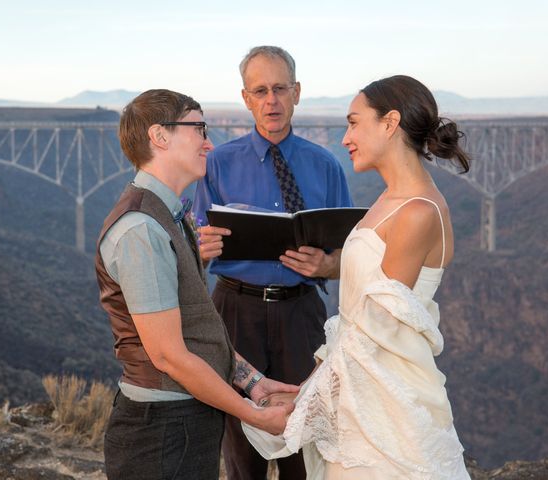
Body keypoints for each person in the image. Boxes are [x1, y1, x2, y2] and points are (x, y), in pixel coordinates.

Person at [243, 75, 472, 479]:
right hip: (358, 394)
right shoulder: (387, 200)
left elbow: (373, 334)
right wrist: (304, 388)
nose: (346, 137)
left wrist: (303, 404)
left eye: (353, 122)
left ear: (389, 123)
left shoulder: (418, 212)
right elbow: (354, 324)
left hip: (389, 410)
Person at [94, 89, 297, 480]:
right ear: (160, 136)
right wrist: (253, 414)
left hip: (182, 422)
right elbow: (170, 357)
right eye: (198, 128)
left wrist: (253, 382)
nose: (209, 141)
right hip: (162, 433)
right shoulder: (141, 230)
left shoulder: (167, 216)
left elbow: (196, 327)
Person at [192, 46, 353, 480]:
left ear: (297, 92)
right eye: (260, 90)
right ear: (245, 98)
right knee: (241, 442)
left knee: (306, 433)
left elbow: (353, 256)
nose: (271, 101)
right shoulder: (216, 165)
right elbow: (190, 247)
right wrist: (198, 246)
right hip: (235, 311)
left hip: (303, 313)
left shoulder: (326, 166)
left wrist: (326, 266)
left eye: (280, 88)